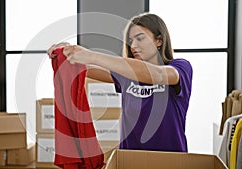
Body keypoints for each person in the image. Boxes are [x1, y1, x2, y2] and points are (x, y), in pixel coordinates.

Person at [48, 12, 193, 153]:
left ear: (159, 40)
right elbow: (84, 69)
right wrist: (66, 52)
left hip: (170, 159)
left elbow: (158, 75)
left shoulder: (181, 67)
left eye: (140, 38)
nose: (133, 45)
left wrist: (91, 55)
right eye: (131, 41)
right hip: (129, 159)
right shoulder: (126, 75)